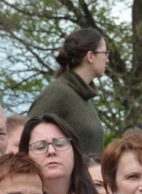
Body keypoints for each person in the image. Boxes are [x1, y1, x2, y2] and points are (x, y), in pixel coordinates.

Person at [29, 27, 108, 157]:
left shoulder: (81, 97)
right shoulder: (57, 93)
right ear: (90, 56)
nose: (107, 59)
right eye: (105, 53)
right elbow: (30, 139)